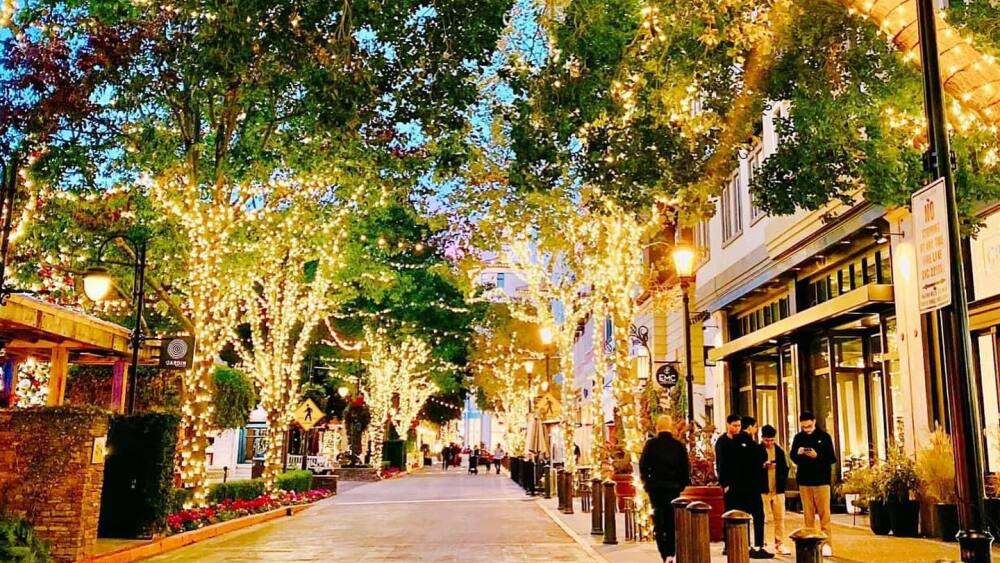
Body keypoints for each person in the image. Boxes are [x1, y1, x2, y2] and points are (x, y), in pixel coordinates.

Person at [717, 414, 773, 559]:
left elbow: (753, 459)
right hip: (736, 486)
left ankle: (756, 544)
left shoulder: (746, 442)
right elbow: (722, 464)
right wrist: (725, 483)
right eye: (734, 425)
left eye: (739, 426)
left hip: (750, 485)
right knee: (734, 514)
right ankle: (733, 544)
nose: (737, 428)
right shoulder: (724, 442)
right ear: (728, 424)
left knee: (756, 514)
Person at [639, 415, 690, 563]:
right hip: (673, 488)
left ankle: (664, 553)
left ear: (657, 427)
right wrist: (682, 484)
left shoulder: (651, 445)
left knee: (659, 522)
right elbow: (685, 467)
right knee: (672, 521)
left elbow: (643, 466)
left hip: (656, 488)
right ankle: (672, 552)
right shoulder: (678, 445)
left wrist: (647, 482)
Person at [790, 411, 837, 558]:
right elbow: (792, 456)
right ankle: (809, 543)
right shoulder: (798, 438)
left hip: (821, 480)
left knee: (824, 515)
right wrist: (798, 453)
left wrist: (818, 456)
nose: (807, 429)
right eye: (804, 427)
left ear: (814, 422)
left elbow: (831, 458)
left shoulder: (824, 437)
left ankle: (827, 544)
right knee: (808, 516)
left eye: (809, 426)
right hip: (804, 481)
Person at [758, 425, 790, 556]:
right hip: (763, 489)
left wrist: (779, 471)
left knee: (780, 518)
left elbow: (786, 468)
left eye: (771, 440)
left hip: (778, 490)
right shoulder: (758, 450)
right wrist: (762, 466)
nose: (769, 443)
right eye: (766, 440)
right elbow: (751, 468)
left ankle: (780, 543)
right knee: (762, 518)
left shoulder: (779, 451)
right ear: (762, 438)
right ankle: (762, 543)